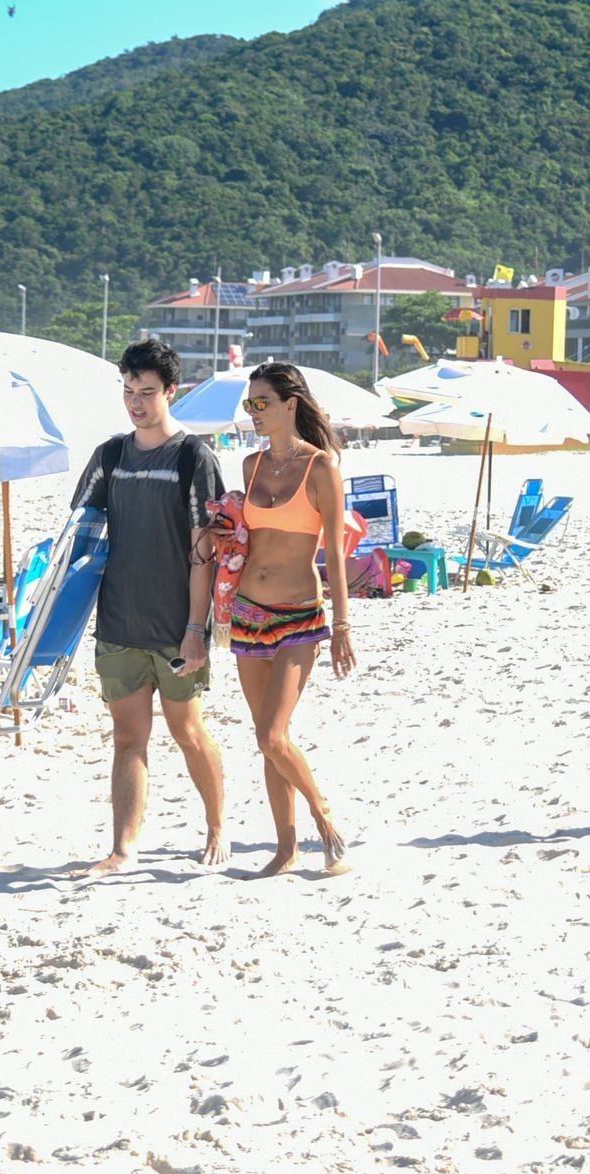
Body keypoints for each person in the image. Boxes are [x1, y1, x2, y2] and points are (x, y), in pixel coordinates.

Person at [67, 338, 227, 878]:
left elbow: (205, 552)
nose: (136, 403)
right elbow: (77, 540)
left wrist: (195, 629)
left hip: (175, 625)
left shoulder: (192, 457)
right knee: (128, 739)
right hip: (118, 622)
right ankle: (123, 849)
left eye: (147, 392)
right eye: (129, 391)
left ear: (171, 391)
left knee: (188, 732)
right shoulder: (110, 456)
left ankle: (217, 827)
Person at [232, 362, 356, 877]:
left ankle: (322, 817)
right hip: (247, 613)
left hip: (300, 616)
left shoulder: (321, 468)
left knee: (272, 735)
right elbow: (245, 539)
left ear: (290, 405)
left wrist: (342, 627)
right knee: (267, 740)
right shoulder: (250, 466)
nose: (254, 412)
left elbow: (336, 554)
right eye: (249, 404)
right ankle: (287, 850)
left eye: (262, 403)